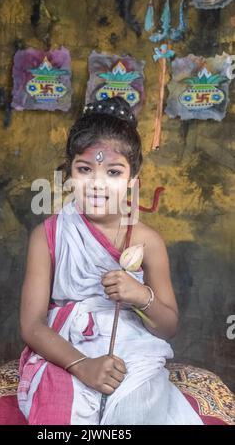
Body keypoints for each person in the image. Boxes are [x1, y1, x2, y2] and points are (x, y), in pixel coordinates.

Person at [17, 96, 203, 425]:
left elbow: (168, 326)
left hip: (133, 352)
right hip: (68, 348)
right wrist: (82, 366)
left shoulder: (148, 242)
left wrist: (140, 296)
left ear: (133, 178)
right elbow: (31, 326)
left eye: (113, 172)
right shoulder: (48, 236)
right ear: (68, 172)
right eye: (85, 169)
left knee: (136, 413)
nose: (98, 183)